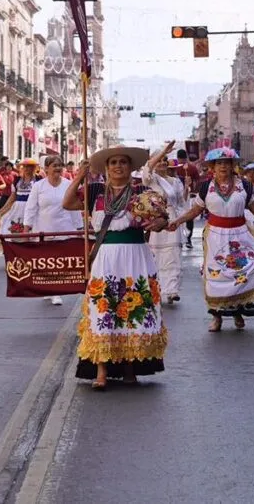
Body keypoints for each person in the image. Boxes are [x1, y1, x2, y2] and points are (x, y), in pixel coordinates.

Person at [62, 146, 168, 389]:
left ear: (130, 167)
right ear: (106, 168)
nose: (118, 166)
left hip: (136, 256)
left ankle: (130, 367)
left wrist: (159, 223)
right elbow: (67, 203)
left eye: (123, 162)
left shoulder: (142, 191)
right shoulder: (95, 190)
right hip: (106, 256)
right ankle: (101, 370)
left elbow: (163, 217)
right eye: (113, 163)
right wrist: (79, 177)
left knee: (133, 309)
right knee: (104, 309)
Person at [170, 147, 254, 332]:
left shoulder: (244, 186)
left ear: (232, 165)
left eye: (226, 163)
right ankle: (217, 316)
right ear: (213, 166)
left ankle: (237, 313)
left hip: (240, 236)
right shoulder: (206, 187)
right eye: (219, 163)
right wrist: (178, 221)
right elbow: (195, 210)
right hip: (215, 238)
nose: (223, 166)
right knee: (216, 276)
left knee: (240, 274)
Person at [22, 155, 84, 306]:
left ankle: (56, 291)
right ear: (46, 168)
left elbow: (74, 208)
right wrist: (26, 229)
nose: (58, 168)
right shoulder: (38, 186)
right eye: (54, 165)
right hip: (44, 228)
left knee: (60, 262)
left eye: (60, 165)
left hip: (65, 228)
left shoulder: (69, 184)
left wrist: (80, 228)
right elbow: (31, 208)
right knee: (47, 261)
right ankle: (49, 289)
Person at [140, 143, 185, 304]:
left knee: (173, 254)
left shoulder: (175, 181)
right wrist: (162, 152)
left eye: (165, 160)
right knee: (157, 256)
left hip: (172, 218)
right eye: (159, 160)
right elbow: (147, 168)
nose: (162, 163)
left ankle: (172, 290)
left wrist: (181, 220)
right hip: (157, 219)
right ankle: (157, 289)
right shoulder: (151, 180)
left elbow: (181, 202)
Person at [0, 158, 39, 250]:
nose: (27, 169)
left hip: (33, 208)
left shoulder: (38, 180)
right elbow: (13, 196)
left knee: (33, 230)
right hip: (18, 208)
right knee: (11, 228)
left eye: (29, 166)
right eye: (25, 166)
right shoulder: (17, 180)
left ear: (34, 168)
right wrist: (3, 209)